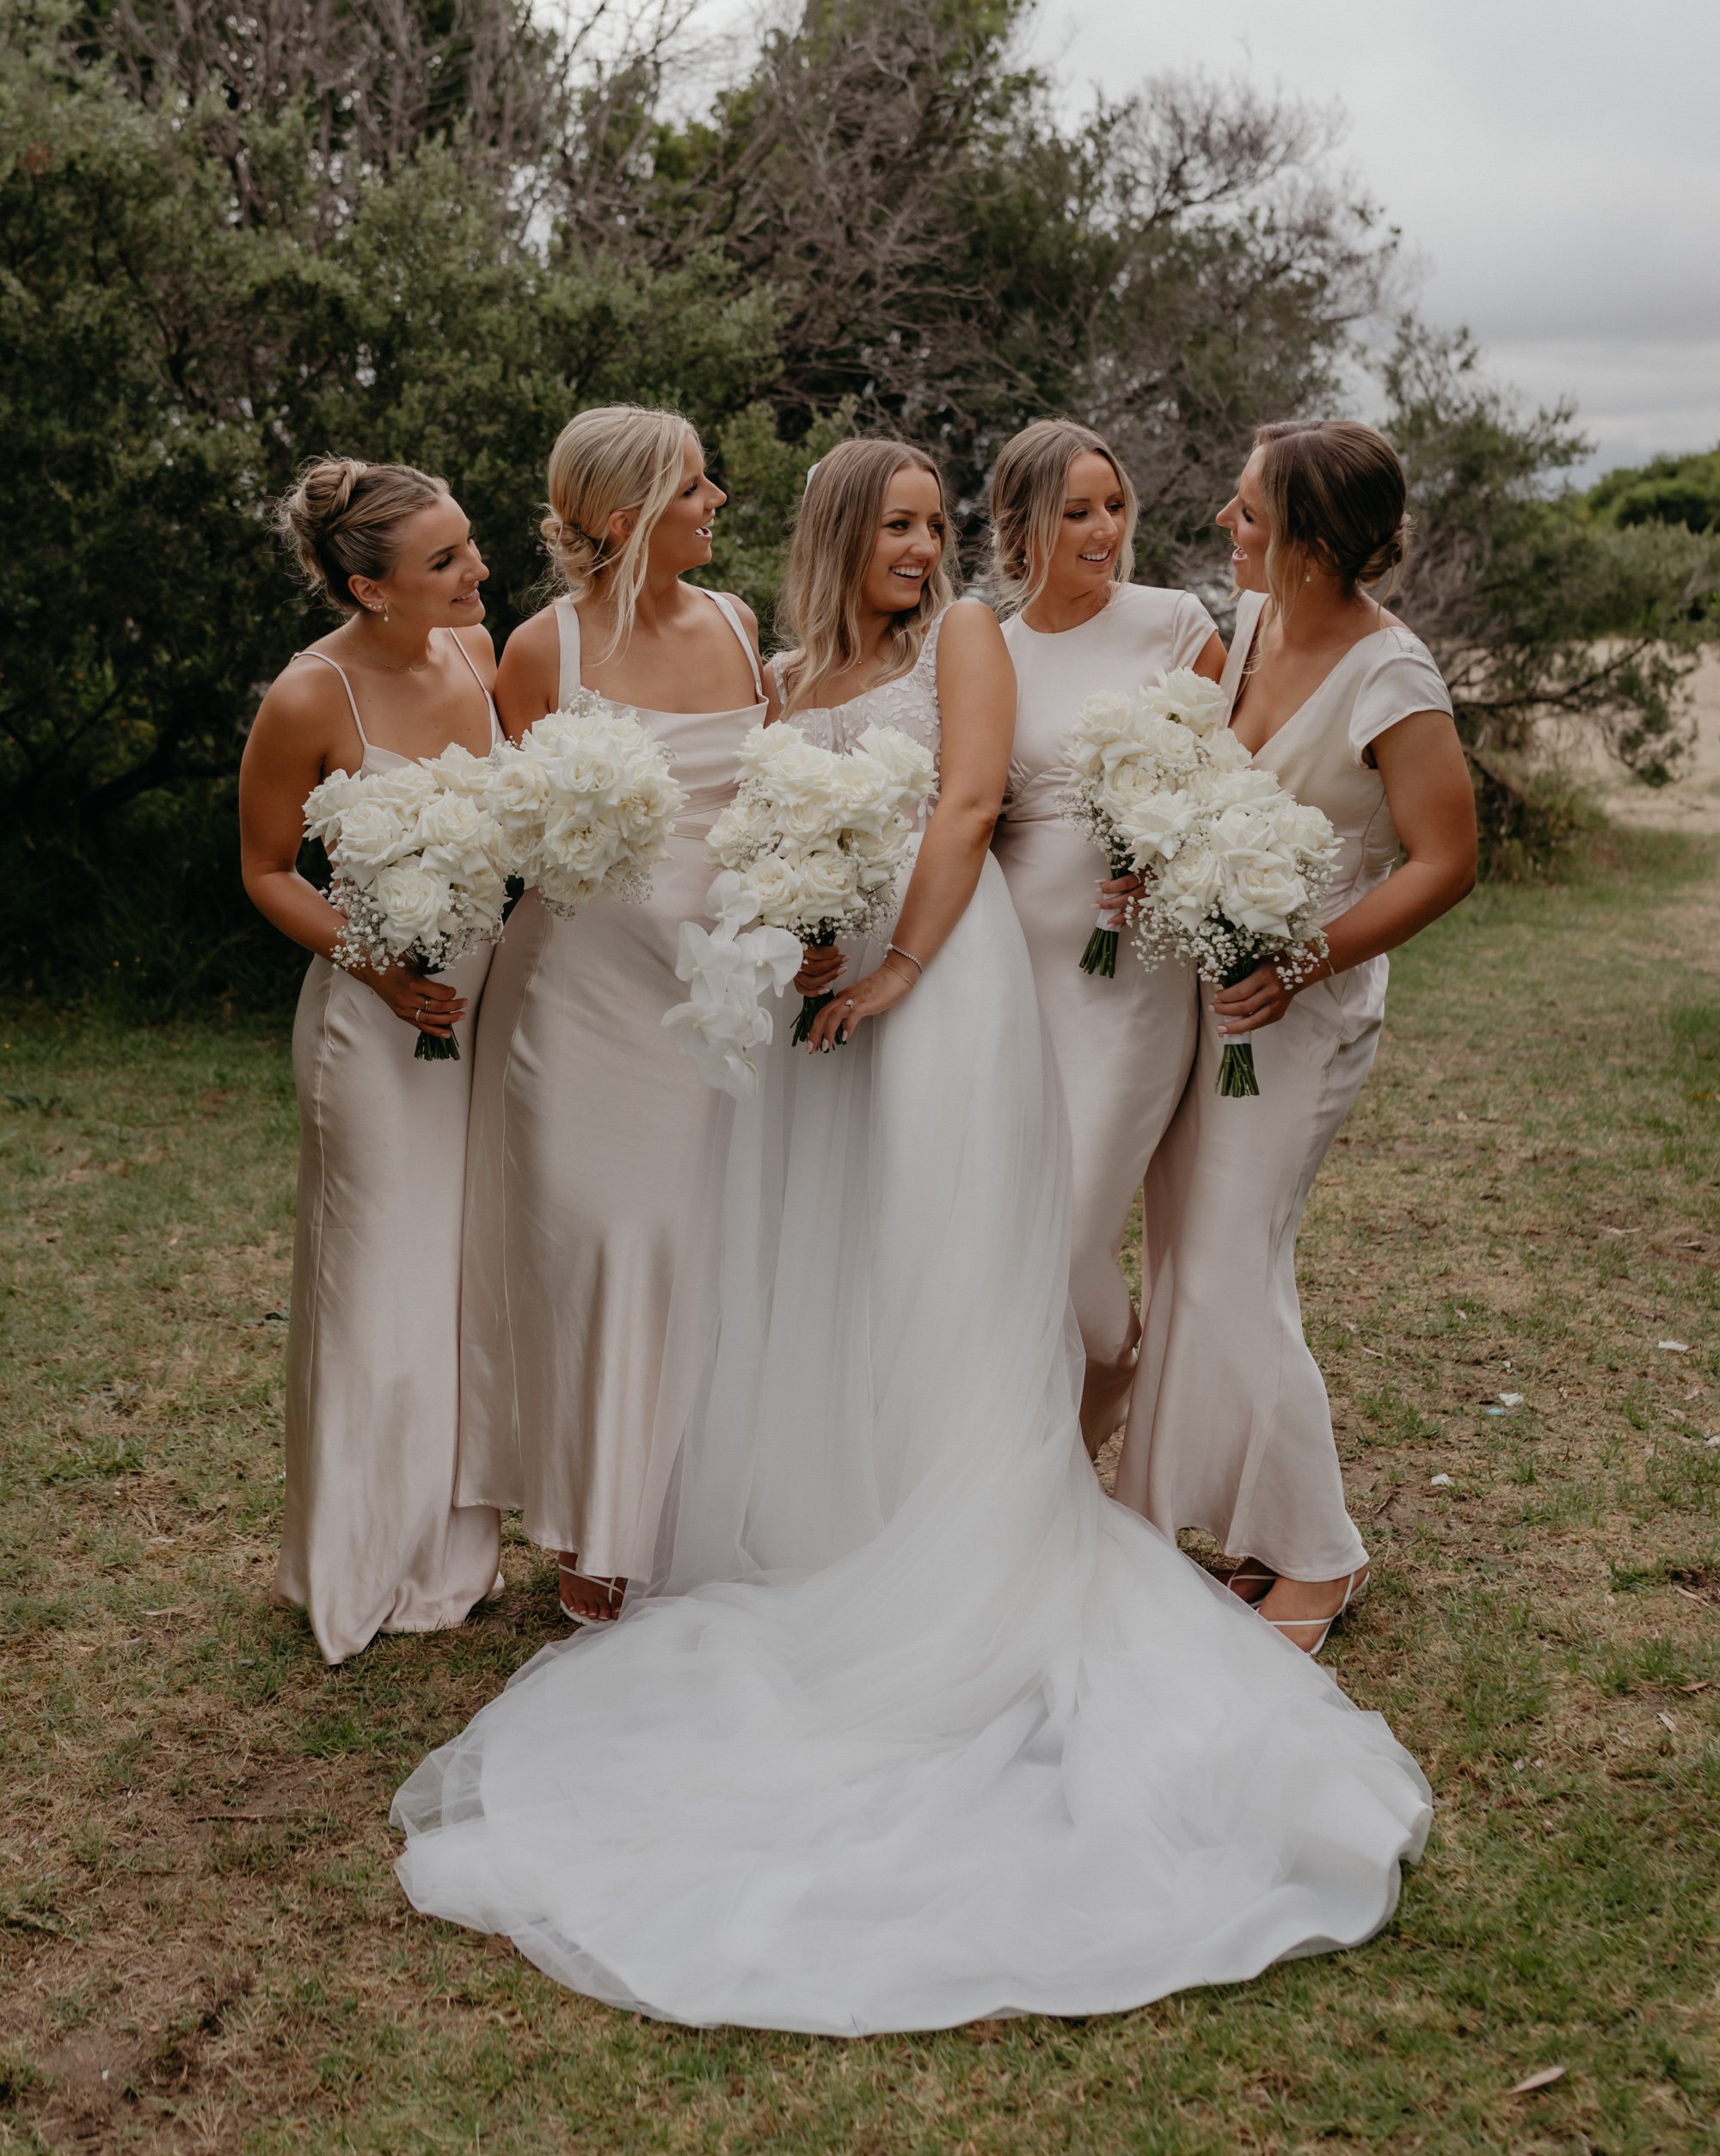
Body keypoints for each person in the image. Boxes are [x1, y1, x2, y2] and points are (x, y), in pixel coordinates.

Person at [390, 437, 1431, 2036]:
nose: (923, 549)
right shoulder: (788, 672)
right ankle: (851, 1518)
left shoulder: (966, 640)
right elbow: (756, 831)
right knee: (850, 1272)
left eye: (937, 525)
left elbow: (965, 805)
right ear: (837, 533)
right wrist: (808, 940)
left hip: (946, 992)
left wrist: (893, 967)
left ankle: (982, 1529)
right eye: (896, 525)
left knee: (966, 1264)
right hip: (832, 1010)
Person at [1115, 420, 1477, 1653]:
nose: (1225, 523)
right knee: (1197, 1257)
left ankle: (1322, 1557)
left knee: (1227, 1259)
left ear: (1311, 540)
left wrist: (1303, 957)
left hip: (1305, 1007)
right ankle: (1252, 1531)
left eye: (1248, 511)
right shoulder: (1256, 621)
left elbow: (1446, 860)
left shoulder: (1392, 679)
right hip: (1209, 993)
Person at [454, 406, 769, 1625]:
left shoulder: (741, 625)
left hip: (715, 995)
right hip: (581, 998)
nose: (718, 501)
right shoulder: (544, 649)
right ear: (630, 519)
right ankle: (595, 1522)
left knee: (699, 1246)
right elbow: (506, 826)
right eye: (696, 486)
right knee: (599, 1243)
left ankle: (686, 1510)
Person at [238, 457, 502, 1664]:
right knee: (376, 1280)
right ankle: (353, 1558)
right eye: (444, 559)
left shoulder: (478, 653)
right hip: (371, 1022)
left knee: (456, 1276)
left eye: (468, 544)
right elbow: (267, 870)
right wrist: (380, 967)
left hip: (484, 1008)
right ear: (368, 586)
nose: (476, 570)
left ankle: (448, 1553)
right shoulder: (310, 694)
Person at [989, 419, 1226, 1450]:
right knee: (1013, 1215)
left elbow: (1241, 777)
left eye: (1114, 506)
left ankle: (1109, 1373)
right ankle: (1049, 1447)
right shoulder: (989, 650)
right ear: (1020, 525)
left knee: (1070, 1220)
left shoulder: (1173, 623)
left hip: (1134, 967)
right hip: (1012, 963)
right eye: (1076, 511)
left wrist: (1172, 854)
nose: (1103, 530)